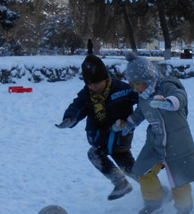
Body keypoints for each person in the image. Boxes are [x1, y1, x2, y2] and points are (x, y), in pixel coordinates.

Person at [113, 52, 194, 214]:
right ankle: (154, 202)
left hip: (177, 139)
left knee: (178, 177)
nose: (135, 89)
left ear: (147, 78)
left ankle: (185, 207)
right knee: (143, 171)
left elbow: (180, 96)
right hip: (155, 140)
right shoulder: (143, 97)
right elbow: (139, 114)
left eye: (137, 84)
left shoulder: (166, 85)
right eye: (132, 85)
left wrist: (168, 102)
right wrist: (127, 124)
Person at [56, 55, 138, 200]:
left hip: (120, 136)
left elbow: (141, 96)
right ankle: (122, 183)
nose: (95, 87)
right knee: (97, 155)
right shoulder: (86, 95)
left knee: (125, 164)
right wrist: (70, 118)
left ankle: (153, 188)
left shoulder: (122, 89)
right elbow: (76, 106)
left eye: (98, 83)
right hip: (101, 137)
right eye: (91, 85)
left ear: (106, 77)